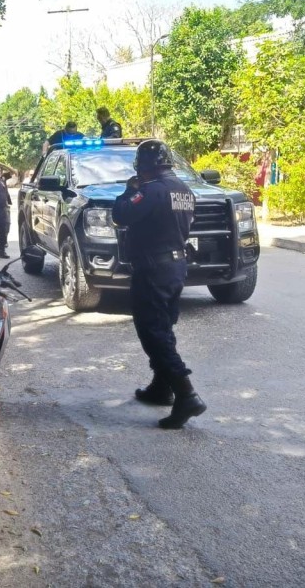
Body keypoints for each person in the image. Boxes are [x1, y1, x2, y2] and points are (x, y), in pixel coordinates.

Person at [111, 139, 206, 430]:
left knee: (152, 331)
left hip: (153, 268)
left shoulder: (151, 190)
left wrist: (130, 190)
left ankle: (186, 393)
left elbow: (121, 214)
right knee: (163, 327)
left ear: (144, 166)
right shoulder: (183, 189)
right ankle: (161, 386)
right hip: (175, 266)